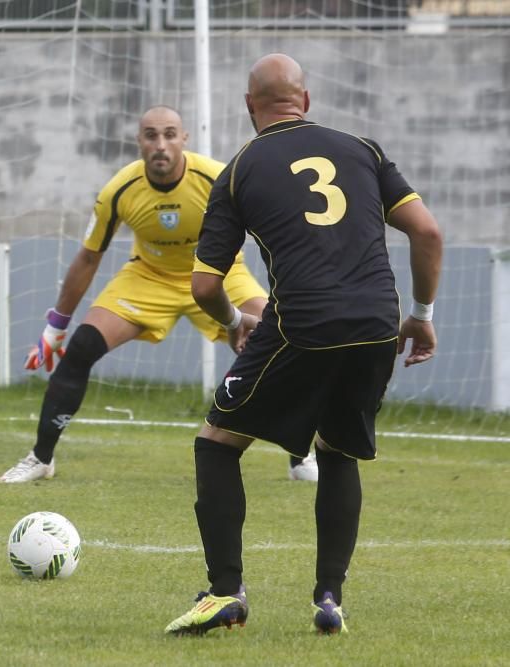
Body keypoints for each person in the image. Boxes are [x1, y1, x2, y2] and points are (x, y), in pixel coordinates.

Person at [164, 53, 442, 636]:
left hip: (302, 324)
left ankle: (224, 592)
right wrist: (420, 315)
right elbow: (427, 230)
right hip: (377, 323)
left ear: (248, 107)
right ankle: (329, 599)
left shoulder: (237, 170)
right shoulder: (363, 149)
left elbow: (204, 285)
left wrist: (236, 319)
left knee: (216, 441)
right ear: (306, 101)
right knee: (339, 449)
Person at [0, 105, 317, 484]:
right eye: (151, 135)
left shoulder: (218, 177)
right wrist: (56, 327)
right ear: (139, 142)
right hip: (149, 276)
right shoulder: (120, 189)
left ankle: (300, 458)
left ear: (184, 139)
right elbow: (88, 257)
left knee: (286, 339)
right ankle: (41, 458)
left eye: (169, 134)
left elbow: (274, 233)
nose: (161, 145)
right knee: (82, 347)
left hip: (219, 274)